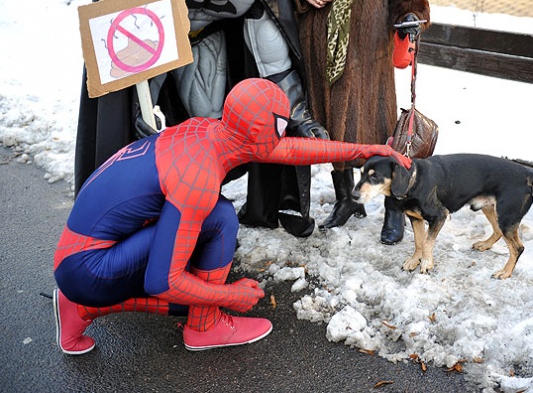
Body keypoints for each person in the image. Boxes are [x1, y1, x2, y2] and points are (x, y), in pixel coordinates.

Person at [53, 79, 411, 355]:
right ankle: (202, 326)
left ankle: (78, 307)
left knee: (213, 218)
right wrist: (225, 295)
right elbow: (163, 282)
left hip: (80, 254)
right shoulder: (198, 179)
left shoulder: (208, 131)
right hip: (87, 270)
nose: (286, 133)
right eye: (282, 125)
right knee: (219, 220)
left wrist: (367, 151)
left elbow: (290, 149)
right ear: (262, 133)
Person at [74, 0, 328, 239]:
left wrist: (300, 116)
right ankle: (135, 217)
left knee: (207, 125)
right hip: (152, 43)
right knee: (142, 129)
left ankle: (202, 212)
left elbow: (275, 65)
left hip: (207, 42)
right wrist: (135, 109)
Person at [278, 0, 431, 244]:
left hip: (368, 42)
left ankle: (393, 207)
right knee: (332, 126)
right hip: (318, 39)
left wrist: (410, 14)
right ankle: (347, 198)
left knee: (378, 126)